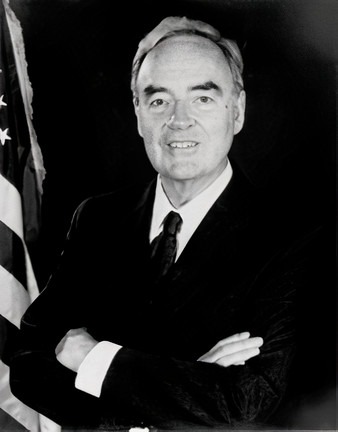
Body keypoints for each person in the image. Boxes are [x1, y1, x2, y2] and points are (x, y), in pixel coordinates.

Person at [9, 16, 320, 430]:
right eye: (158, 100)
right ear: (138, 112)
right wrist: (188, 382)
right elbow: (27, 365)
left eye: (202, 99)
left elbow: (246, 400)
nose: (179, 120)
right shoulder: (97, 219)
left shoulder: (291, 238)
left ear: (238, 110)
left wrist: (94, 356)